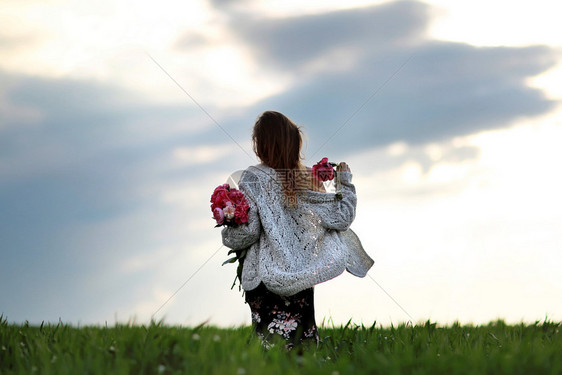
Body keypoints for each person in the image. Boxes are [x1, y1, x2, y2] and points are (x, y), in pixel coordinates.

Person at [221, 110, 373, 348]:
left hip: (265, 277)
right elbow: (341, 218)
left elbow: (248, 233)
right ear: (294, 143)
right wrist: (345, 182)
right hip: (301, 277)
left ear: (261, 144)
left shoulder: (252, 178)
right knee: (301, 347)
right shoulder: (305, 179)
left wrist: (229, 224)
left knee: (267, 351)